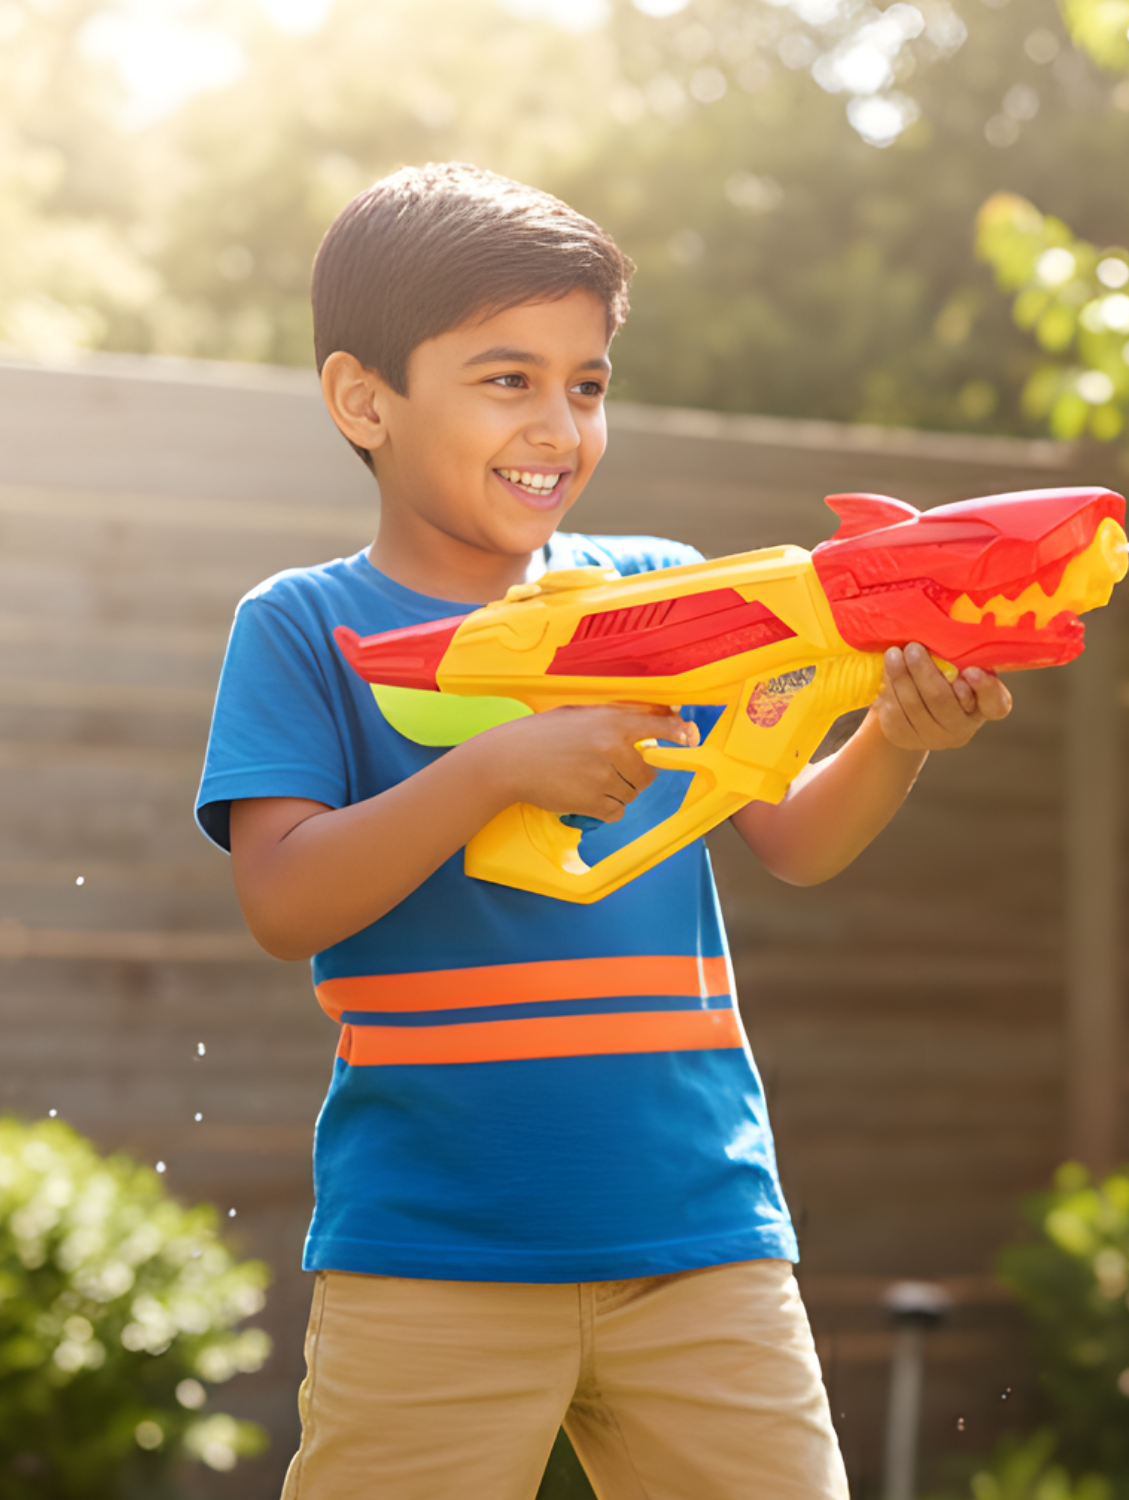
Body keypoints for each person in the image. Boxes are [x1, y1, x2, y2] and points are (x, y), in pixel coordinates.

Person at [196, 161, 1012, 1500]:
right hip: (431, 1258)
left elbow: (795, 837)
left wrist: (896, 738)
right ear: (364, 399)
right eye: (507, 378)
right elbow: (284, 901)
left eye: (587, 383)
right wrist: (497, 770)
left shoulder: (663, 592)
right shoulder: (302, 629)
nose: (558, 425)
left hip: (702, 1243)